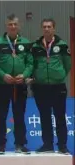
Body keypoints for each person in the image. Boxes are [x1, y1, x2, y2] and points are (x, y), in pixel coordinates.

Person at [0, 14, 33, 154]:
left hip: (19, 85)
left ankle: (20, 144)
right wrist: (3, 75)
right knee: (1, 115)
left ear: (19, 25)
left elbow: (30, 63)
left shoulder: (26, 43)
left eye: (15, 24)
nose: (13, 27)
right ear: (6, 26)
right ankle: (1, 144)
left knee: (19, 115)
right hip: (2, 85)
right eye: (10, 24)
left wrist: (25, 75)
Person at [30, 18, 71, 154]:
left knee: (60, 116)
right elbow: (32, 64)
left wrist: (59, 75)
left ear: (54, 28)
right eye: (44, 27)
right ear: (42, 29)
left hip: (57, 86)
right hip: (41, 87)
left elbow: (67, 64)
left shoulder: (62, 45)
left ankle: (62, 146)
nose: (46, 29)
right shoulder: (35, 46)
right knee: (44, 116)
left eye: (49, 26)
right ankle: (47, 144)